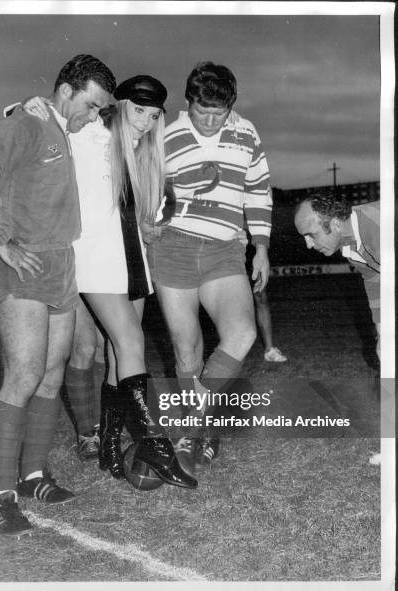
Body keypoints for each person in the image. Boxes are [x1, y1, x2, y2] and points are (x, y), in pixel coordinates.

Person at [22, 75, 197, 490]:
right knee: (132, 343)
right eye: (138, 111)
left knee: (121, 357)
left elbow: (146, 208)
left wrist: (154, 223)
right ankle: (154, 443)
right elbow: (43, 118)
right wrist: (26, 104)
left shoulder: (144, 151)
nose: (144, 121)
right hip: (96, 260)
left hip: (131, 260)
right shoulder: (88, 132)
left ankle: (108, 446)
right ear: (118, 107)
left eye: (153, 115)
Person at [0, 54, 116, 537]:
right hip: (25, 263)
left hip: (62, 263)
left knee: (52, 372)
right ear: (65, 91)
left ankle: (34, 474)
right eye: (92, 105)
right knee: (23, 374)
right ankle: (1, 497)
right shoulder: (29, 122)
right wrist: (0, 242)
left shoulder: (60, 129)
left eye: (100, 109)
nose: (94, 115)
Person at [146, 61, 273, 472]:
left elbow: (257, 190)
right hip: (175, 247)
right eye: (203, 113)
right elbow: (150, 197)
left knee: (243, 332)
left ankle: (193, 426)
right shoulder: (165, 135)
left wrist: (262, 246)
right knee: (187, 353)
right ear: (189, 102)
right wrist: (180, 192)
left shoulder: (246, 132)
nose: (211, 121)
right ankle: (198, 429)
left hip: (224, 249)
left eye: (220, 114)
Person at [294, 193, 380, 360]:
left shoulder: (378, 224)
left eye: (311, 235)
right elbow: (375, 280)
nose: (308, 245)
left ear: (335, 224)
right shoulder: (349, 246)